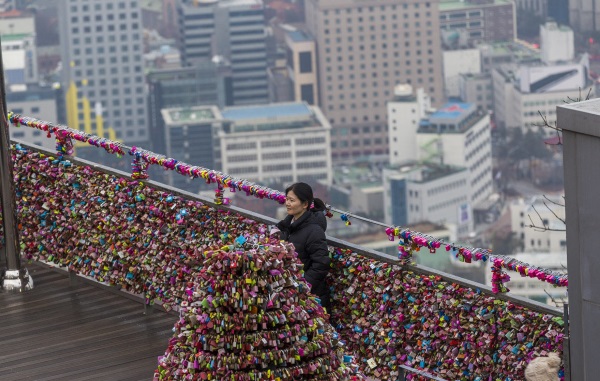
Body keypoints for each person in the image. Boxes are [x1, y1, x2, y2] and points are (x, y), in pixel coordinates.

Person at [276, 182, 332, 315]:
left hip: (310, 298)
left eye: (292, 200)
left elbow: (321, 264)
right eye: (287, 199)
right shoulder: (287, 226)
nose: (287, 203)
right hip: (291, 294)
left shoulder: (314, 230)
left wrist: (302, 286)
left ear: (305, 204)